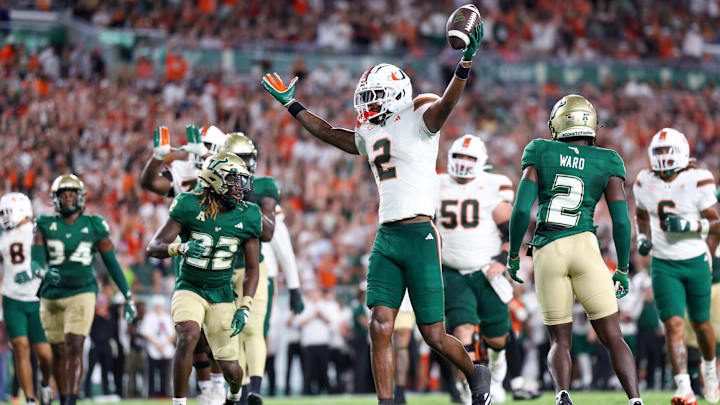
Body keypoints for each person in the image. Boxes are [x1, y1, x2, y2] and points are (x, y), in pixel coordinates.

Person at [261, 14, 492, 405]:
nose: (367, 104)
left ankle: (475, 372)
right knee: (379, 325)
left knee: (432, 333)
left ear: (397, 93)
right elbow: (332, 134)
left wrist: (464, 63)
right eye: (365, 97)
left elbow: (448, 103)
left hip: (420, 235)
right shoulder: (370, 131)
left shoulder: (421, 117)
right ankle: (387, 402)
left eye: (374, 96)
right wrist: (293, 106)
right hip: (387, 236)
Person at [506, 95, 642, 405]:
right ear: (591, 124)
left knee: (560, 340)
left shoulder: (540, 150)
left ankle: (563, 394)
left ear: (557, 123)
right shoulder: (607, 159)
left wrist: (514, 254)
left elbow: (519, 211)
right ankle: (635, 399)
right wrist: (622, 267)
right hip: (585, 247)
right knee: (612, 335)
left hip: (547, 249)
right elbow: (621, 221)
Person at [146, 152, 261, 405]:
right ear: (215, 179)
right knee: (188, 334)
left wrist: (245, 305)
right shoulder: (188, 203)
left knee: (232, 369)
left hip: (222, 292)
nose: (240, 187)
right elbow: (154, 246)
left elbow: (253, 269)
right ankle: (179, 403)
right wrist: (180, 248)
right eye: (234, 180)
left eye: (242, 180)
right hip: (190, 286)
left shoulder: (249, 214)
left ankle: (233, 396)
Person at [140, 123, 228, 405]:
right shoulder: (183, 171)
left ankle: (220, 386)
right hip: (189, 253)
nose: (202, 151)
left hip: (224, 254)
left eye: (207, 146)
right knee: (193, 332)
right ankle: (206, 391)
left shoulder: (230, 170)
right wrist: (157, 157)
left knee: (219, 331)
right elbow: (150, 183)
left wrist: (205, 162)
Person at [633, 127, 720, 405]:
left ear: (682, 150)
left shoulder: (699, 178)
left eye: (668, 151)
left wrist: (690, 226)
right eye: (658, 152)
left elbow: (717, 223)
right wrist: (643, 238)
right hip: (664, 262)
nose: (663, 157)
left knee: (702, 324)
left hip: (695, 260)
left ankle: (709, 371)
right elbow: (641, 215)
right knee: (673, 324)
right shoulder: (644, 180)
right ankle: (684, 387)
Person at [31, 174, 135, 405]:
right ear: (55, 199)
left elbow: (111, 262)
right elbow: (35, 260)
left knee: (75, 345)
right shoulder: (45, 224)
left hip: (83, 290)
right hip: (52, 294)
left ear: (81, 197)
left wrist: (127, 295)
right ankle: (55, 391)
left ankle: (70, 401)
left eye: (72, 194)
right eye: (63, 194)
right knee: (56, 351)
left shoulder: (94, 224)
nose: (68, 199)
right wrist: (42, 272)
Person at [219, 132, 305, 405]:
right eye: (241, 157)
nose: (247, 163)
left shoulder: (263, 188)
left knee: (255, 330)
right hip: (225, 268)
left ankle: (252, 389)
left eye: (249, 157)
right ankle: (239, 389)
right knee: (233, 333)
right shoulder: (216, 188)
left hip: (259, 271)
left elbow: (278, 238)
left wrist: (294, 286)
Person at [436, 135, 514, 403]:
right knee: (461, 332)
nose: (463, 163)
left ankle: (497, 373)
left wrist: (501, 261)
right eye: (459, 156)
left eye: (469, 158)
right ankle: (473, 389)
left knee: (497, 339)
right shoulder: (436, 183)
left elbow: (510, 230)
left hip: (485, 271)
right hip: (452, 272)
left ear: (481, 162)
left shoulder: (494, 185)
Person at [0, 193, 53, 405]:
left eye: (6, 212)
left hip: (36, 298)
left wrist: (33, 273)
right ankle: (30, 399)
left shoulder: (37, 231)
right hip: (12, 298)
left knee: (44, 354)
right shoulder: (4, 236)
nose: (4, 217)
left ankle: (45, 383)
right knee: (20, 346)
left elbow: (43, 263)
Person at [141, 295, 175, 398]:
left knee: (166, 374)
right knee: (151, 373)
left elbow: (172, 335)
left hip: (167, 349)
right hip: (153, 349)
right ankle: (151, 394)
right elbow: (146, 333)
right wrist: (157, 345)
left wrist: (163, 345)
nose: (159, 307)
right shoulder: (149, 317)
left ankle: (165, 393)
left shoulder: (167, 317)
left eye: (161, 306)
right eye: (157, 306)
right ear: (154, 306)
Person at [392, 293, 414, 405]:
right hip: (406, 305)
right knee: (401, 348)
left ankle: (390, 392)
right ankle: (399, 392)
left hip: (389, 300)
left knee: (386, 348)